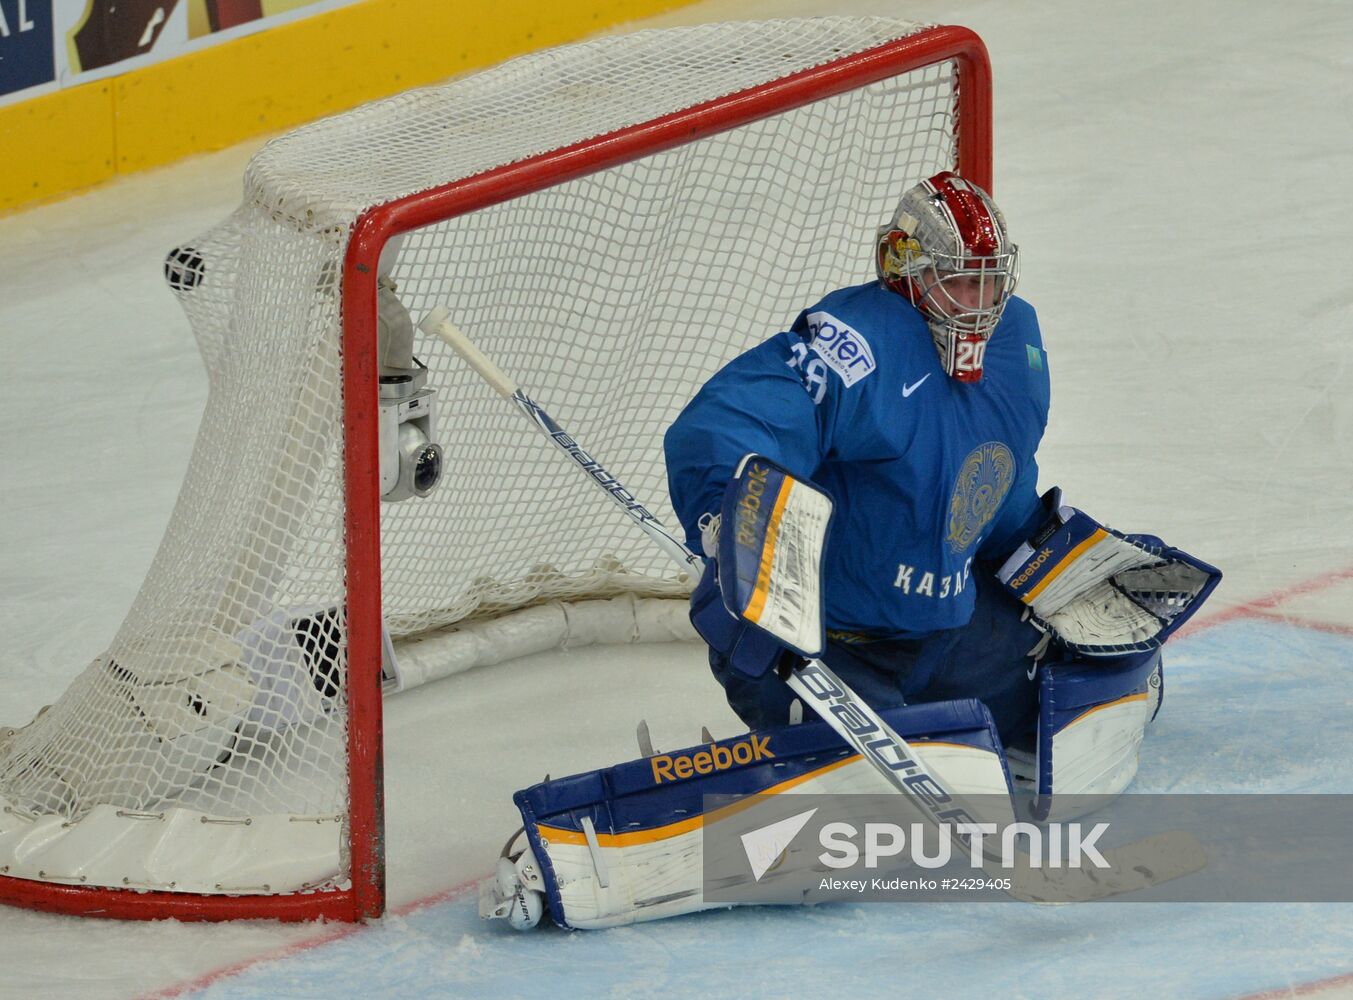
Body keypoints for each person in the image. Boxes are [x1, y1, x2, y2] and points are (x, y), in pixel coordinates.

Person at [663, 170, 1052, 749]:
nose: (976, 306)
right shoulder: (860, 342)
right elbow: (742, 415)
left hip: (949, 637)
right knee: (874, 794)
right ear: (904, 271)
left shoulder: (1016, 342)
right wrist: (730, 514)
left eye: (987, 283)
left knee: (1075, 672)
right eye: (953, 281)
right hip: (829, 649)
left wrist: (1039, 550)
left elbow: (994, 470)